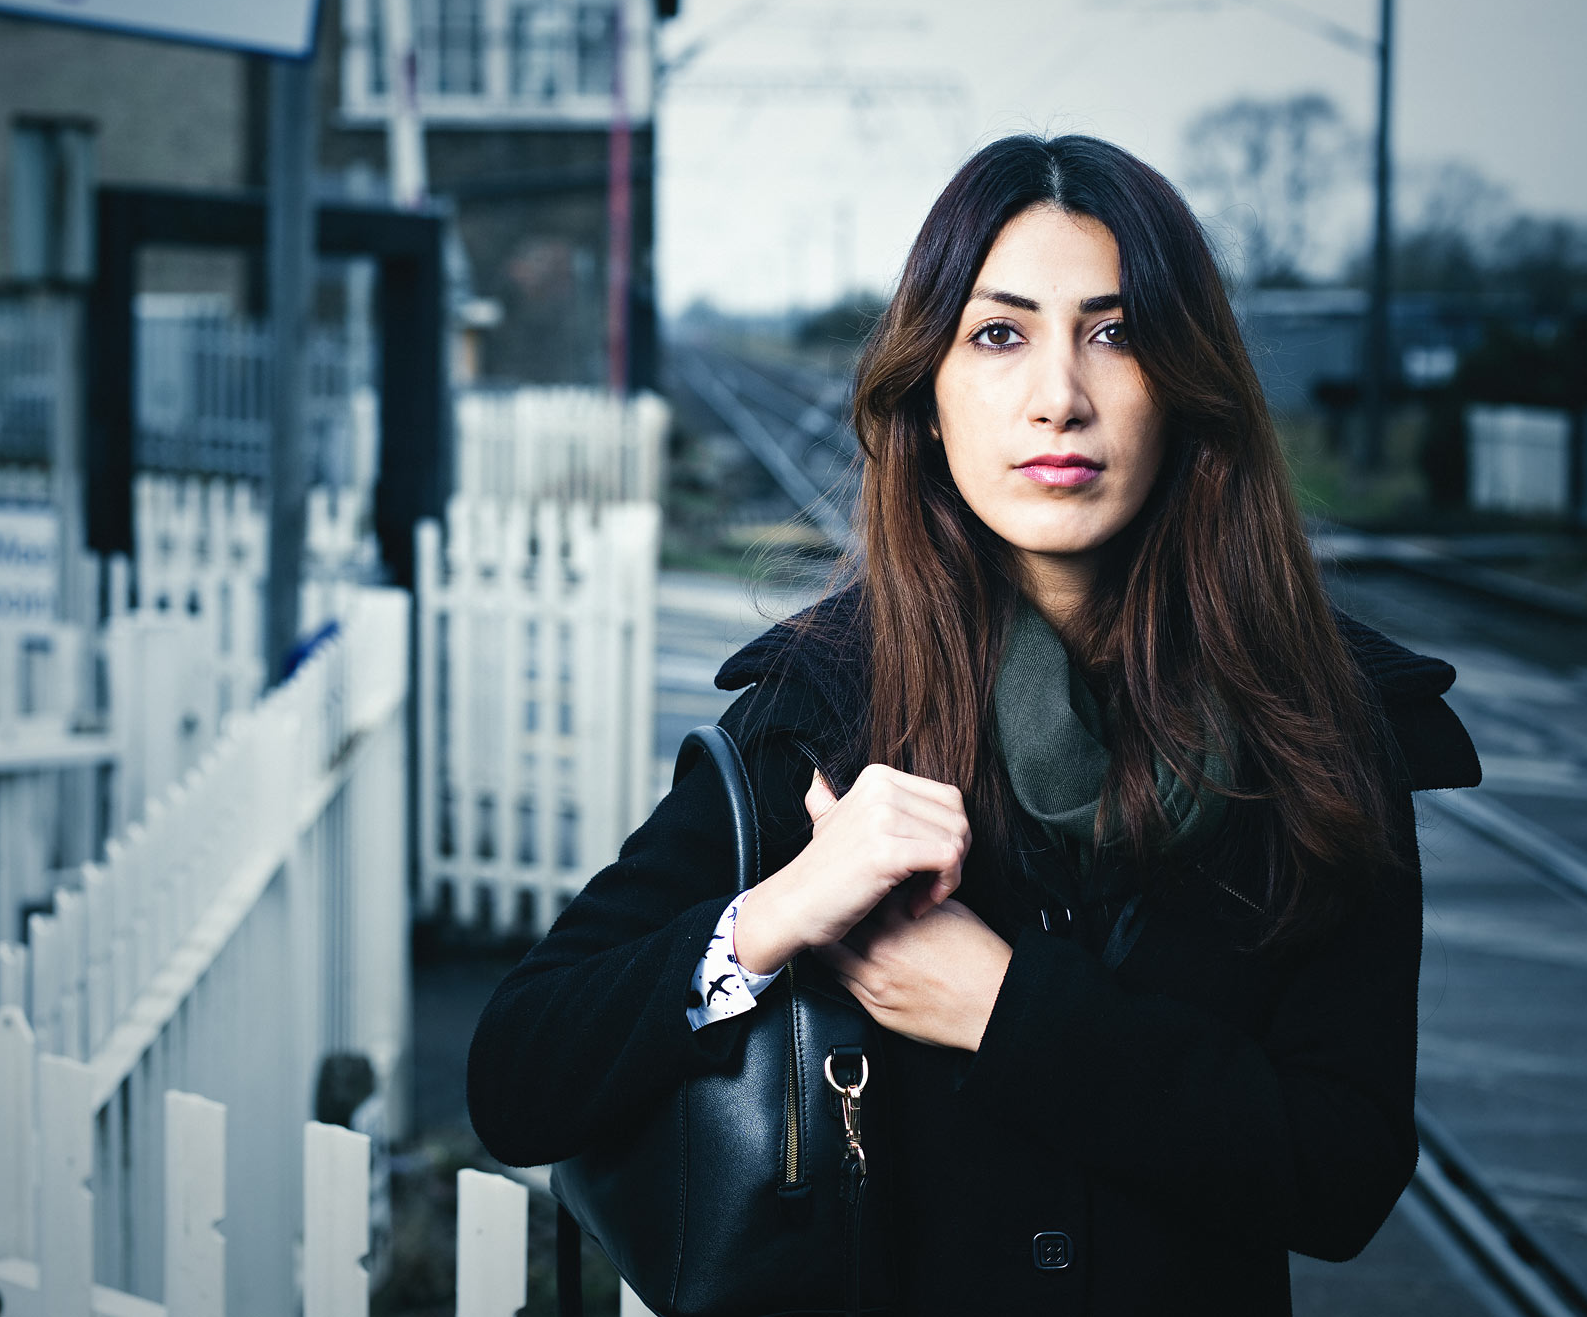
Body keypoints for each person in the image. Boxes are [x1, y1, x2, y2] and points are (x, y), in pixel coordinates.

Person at [468, 134, 1480, 1315]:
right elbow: (518, 1076)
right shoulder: (820, 710)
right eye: (999, 335)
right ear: (929, 400)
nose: (1061, 394)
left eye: (1116, 332)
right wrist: (777, 914)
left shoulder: (1322, 727)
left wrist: (1005, 1013)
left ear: (1190, 390)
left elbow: (1344, 1176)